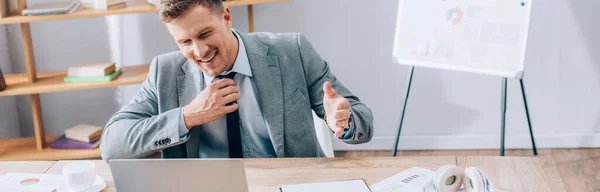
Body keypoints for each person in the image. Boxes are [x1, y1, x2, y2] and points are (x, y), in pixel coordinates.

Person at [100, 0, 373, 160]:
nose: (199, 51)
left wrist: (344, 122)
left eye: (205, 34)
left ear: (227, 18)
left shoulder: (293, 51)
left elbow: (363, 122)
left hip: (286, 183)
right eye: (185, 42)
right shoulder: (166, 71)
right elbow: (112, 144)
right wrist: (188, 116)